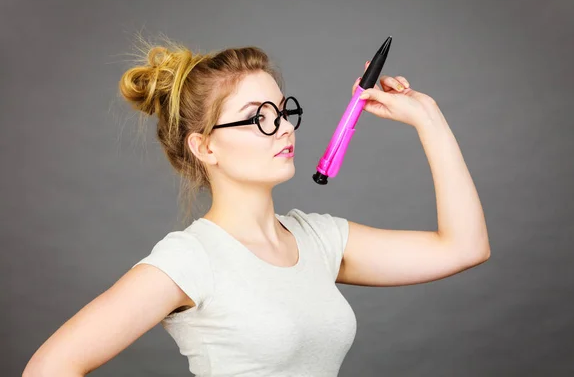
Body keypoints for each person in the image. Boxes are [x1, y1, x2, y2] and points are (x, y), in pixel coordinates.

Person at [23, 37, 490, 377]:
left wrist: (428, 119)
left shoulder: (319, 239)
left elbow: (464, 247)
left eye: (282, 111)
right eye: (258, 118)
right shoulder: (191, 259)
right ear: (205, 147)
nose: (284, 127)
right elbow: (51, 366)